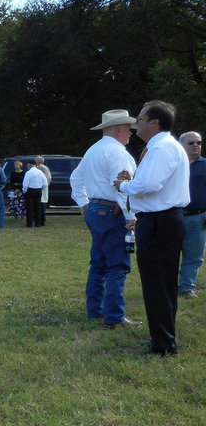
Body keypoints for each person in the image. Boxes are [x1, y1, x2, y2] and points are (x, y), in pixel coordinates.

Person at [114, 100, 190, 356]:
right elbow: (150, 183)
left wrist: (122, 186)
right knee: (161, 283)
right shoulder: (162, 147)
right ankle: (162, 338)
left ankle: (163, 344)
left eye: (141, 119)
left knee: (157, 283)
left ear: (155, 122)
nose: (136, 124)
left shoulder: (161, 148)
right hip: (162, 220)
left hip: (160, 221)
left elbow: (149, 186)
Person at [70, 109, 140, 328]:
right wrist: (131, 215)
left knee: (98, 263)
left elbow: (75, 177)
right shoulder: (118, 152)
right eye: (128, 130)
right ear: (118, 130)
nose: (130, 134)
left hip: (96, 209)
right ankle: (114, 316)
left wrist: (83, 202)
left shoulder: (93, 150)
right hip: (113, 210)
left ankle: (95, 310)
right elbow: (121, 186)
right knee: (117, 265)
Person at [178, 131, 206, 299]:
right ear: (181, 144)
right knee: (169, 253)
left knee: (194, 255)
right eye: (191, 143)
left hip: (197, 217)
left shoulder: (205, 165)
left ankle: (187, 287)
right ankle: (167, 285)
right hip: (173, 216)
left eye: (199, 142)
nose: (196, 145)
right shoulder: (174, 163)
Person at [22, 162, 47, 228]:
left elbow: (25, 184)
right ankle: (38, 223)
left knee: (29, 208)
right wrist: (40, 189)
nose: (27, 166)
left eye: (27, 165)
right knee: (38, 208)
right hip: (38, 190)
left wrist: (24, 191)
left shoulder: (28, 173)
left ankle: (29, 224)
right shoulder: (40, 172)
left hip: (30, 190)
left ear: (30, 165)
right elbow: (45, 183)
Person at [35, 156, 52, 226]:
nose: (35, 161)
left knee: (41, 205)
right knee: (40, 204)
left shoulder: (44, 168)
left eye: (36, 160)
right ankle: (39, 219)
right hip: (40, 188)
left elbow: (48, 178)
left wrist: (43, 185)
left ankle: (42, 220)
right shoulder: (37, 168)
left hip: (41, 189)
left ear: (39, 161)